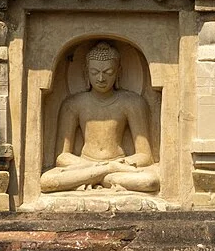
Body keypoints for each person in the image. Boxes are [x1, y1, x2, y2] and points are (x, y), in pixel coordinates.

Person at [39, 41, 160, 193]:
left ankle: (95, 179)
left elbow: (145, 155)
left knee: (150, 182)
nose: (101, 78)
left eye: (108, 72)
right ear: (86, 72)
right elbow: (62, 156)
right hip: (86, 166)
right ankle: (104, 176)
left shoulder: (133, 103)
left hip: (118, 166)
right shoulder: (73, 104)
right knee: (47, 181)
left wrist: (119, 164)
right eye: (95, 72)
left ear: (118, 72)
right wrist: (102, 167)